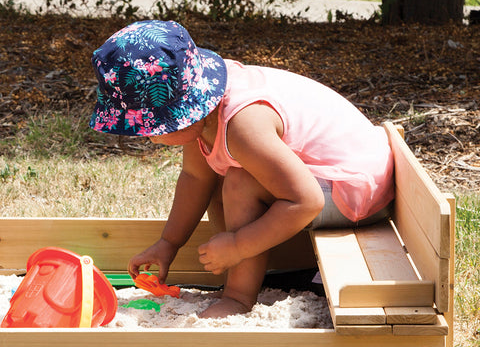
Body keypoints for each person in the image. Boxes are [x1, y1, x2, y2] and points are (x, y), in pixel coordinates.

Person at [89, 20, 395, 318]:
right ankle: (238, 276)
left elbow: (306, 201)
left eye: (151, 126)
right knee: (220, 182)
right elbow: (196, 178)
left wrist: (237, 246)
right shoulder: (206, 113)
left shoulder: (242, 126)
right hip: (328, 178)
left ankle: (239, 295)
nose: (148, 136)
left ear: (185, 111)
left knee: (239, 181)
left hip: (355, 189)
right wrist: (168, 243)